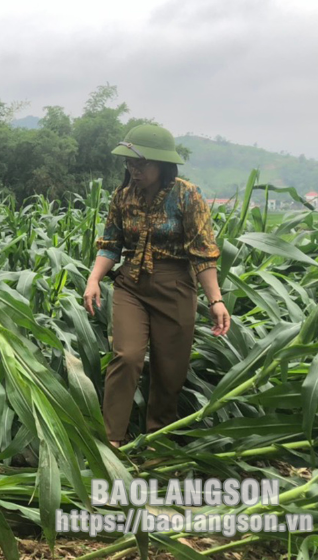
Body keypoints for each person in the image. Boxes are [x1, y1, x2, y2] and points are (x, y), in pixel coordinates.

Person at [82, 123, 230, 448]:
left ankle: (158, 444)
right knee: (127, 356)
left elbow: (203, 253)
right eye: (129, 163)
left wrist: (215, 300)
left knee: (170, 369)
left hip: (175, 285)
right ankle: (111, 444)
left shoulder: (186, 195)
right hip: (131, 284)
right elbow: (110, 244)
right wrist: (94, 279)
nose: (133, 170)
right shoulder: (123, 197)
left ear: (161, 163)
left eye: (141, 163)